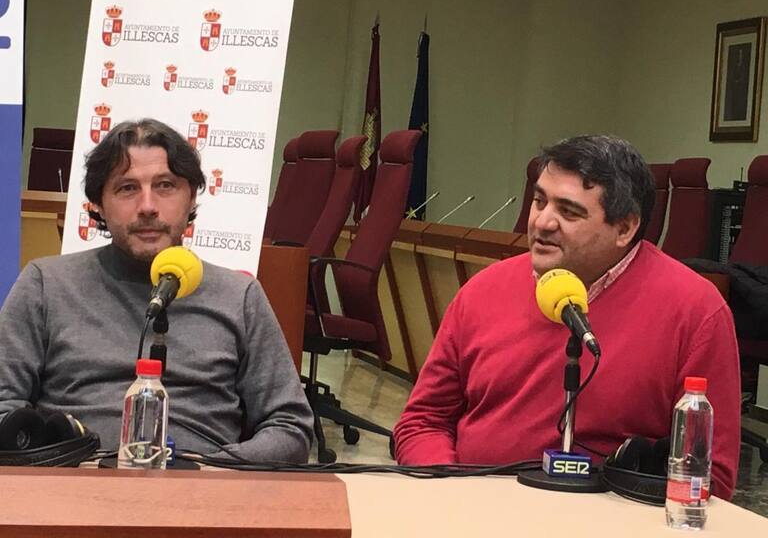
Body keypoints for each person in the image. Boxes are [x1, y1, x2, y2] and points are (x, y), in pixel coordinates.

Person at [394, 135, 740, 499]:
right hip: (471, 505)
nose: (542, 222)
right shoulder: (483, 291)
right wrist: (449, 494)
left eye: (569, 212)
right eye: (539, 201)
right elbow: (423, 422)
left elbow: (709, 475)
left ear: (625, 228)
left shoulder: (696, 310)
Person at [0, 118, 314, 462]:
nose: (148, 206)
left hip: (204, 483)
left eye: (165, 185)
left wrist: (214, 471)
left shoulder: (239, 296)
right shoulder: (46, 284)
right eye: (127, 188)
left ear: (191, 198)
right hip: (73, 476)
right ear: (98, 204)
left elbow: (290, 426)